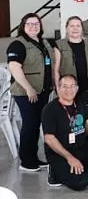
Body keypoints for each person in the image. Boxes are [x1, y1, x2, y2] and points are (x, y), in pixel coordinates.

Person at [41, 75, 88, 190]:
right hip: (60, 154)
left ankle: (81, 170)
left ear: (77, 88)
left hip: (80, 149)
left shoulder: (80, 103)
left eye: (72, 86)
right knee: (80, 183)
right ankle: (55, 171)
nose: (69, 90)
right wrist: (69, 157)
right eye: (65, 86)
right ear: (58, 88)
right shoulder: (50, 109)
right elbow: (49, 138)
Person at [7, 13, 53, 172]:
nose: (34, 26)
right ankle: (26, 161)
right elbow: (14, 67)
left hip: (42, 91)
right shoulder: (18, 44)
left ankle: (33, 158)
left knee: (35, 124)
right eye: (29, 24)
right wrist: (28, 88)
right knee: (30, 124)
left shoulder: (43, 42)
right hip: (26, 92)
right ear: (23, 26)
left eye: (36, 24)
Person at [53, 16, 88, 93]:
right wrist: (58, 88)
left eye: (78, 26)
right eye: (72, 26)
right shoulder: (59, 45)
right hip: (68, 89)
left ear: (82, 28)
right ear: (67, 28)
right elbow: (56, 70)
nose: (75, 28)